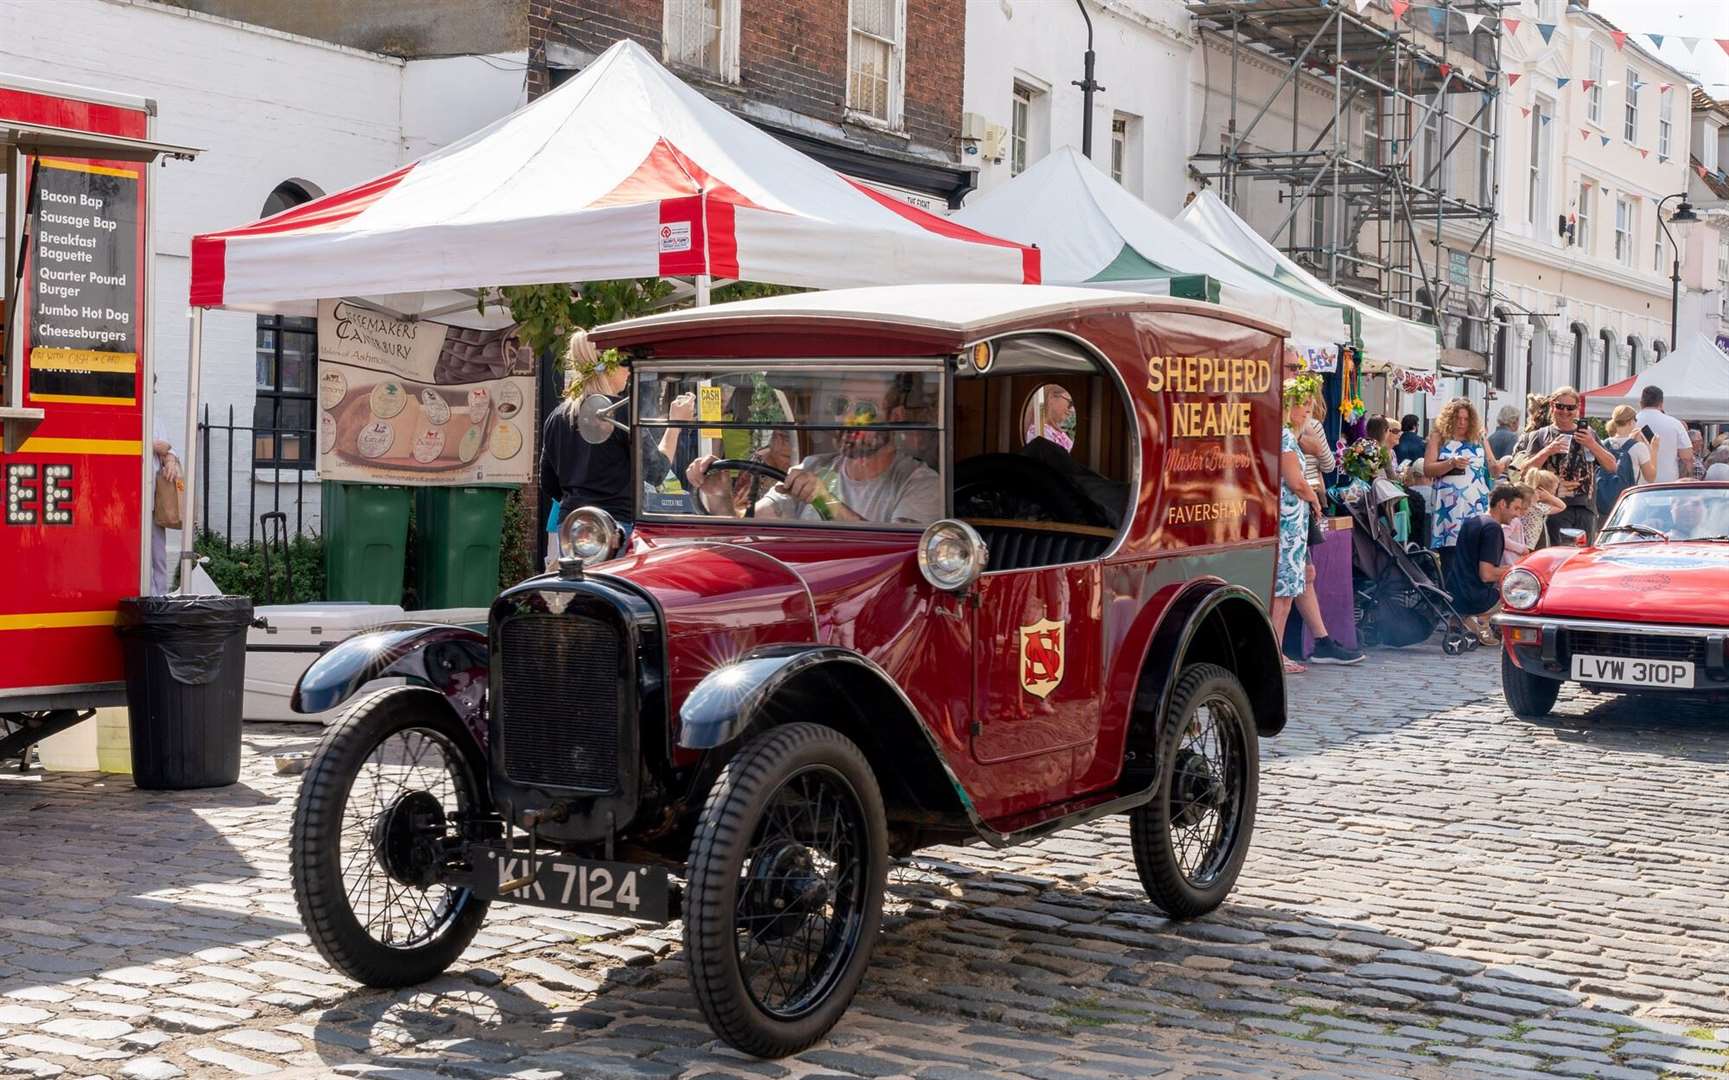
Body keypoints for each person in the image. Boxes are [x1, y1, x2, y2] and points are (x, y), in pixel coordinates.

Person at [688, 376, 941, 525]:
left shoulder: (921, 483)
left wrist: (824, 500)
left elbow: (900, 556)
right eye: (841, 405)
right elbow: (752, 526)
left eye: (865, 410)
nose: (846, 419)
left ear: (895, 418)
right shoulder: (814, 467)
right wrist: (720, 498)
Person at [540, 332, 689, 558]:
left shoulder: (558, 416)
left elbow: (549, 484)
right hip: (614, 527)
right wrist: (676, 424)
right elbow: (657, 472)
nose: (629, 370)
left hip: (573, 527)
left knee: (582, 591)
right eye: (623, 362)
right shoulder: (618, 412)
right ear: (607, 367)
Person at [1270, 379, 1363, 674]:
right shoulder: (1284, 437)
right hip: (1287, 522)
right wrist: (1313, 498)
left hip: (1292, 522)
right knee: (1283, 593)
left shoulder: (1288, 435)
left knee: (1289, 588)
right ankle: (1275, 654)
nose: (1308, 409)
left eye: (1310, 403)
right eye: (1302, 403)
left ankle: (1278, 652)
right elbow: (1295, 481)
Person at [1512, 386, 1617, 544]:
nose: (1565, 411)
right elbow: (1523, 471)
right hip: (1552, 508)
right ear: (1553, 406)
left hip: (1585, 508)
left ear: (1577, 409)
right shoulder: (1540, 435)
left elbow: (1612, 466)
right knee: (1557, 557)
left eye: (1570, 407)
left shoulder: (1589, 434)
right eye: (1560, 406)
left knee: (1582, 560)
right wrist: (1547, 451)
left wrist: (1591, 444)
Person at [1425, 398, 1506, 569]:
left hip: (1475, 505)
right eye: (1457, 418)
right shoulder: (1439, 437)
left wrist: (1500, 466)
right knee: (1452, 560)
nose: (1462, 423)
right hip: (1449, 510)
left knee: (1476, 555)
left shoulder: (1479, 436)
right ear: (1450, 418)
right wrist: (1451, 463)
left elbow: (1493, 468)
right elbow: (1428, 469)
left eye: (1466, 419)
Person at [1445, 484, 1528, 644]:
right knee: (1523, 595)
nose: (1517, 515)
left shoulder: (1472, 521)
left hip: (1456, 593)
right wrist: (1517, 570)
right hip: (1476, 597)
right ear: (1502, 504)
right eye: (1516, 509)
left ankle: (1461, 619)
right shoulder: (1493, 528)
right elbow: (1487, 574)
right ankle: (1478, 620)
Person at [1634, 385, 1693, 483]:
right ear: (1661, 404)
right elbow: (1687, 455)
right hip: (1667, 483)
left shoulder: (1631, 423)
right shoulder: (1675, 423)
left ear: (1641, 403)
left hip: (1638, 483)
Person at [151, 405, 180, 595]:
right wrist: (150, 443)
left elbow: (168, 448)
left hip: (153, 496)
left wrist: (170, 458)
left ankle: (158, 598)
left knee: (157, 555)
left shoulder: (155, 417)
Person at [1604, 404, 1658, 485]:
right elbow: (1650, 478)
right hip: (1629, 495)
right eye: (1635, 419)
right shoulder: (1638, 447)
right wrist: (1654, 450)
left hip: (1605, 495)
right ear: (1630, 422)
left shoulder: (1604, 443)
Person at [1517, 469, 1566, 552]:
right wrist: (1550, 497)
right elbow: (1562, 506)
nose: (1554, 493)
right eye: (1554, 490)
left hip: (1522, 541)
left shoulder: (1529, 503)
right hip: (1529, 543)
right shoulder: (1538, 507)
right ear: (1543, 491)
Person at [1022, 385, 1075, 451]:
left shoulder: (1054, 432)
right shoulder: (1039, 433)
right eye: (1070, 403)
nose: (1072, 410)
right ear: (1052, 397)